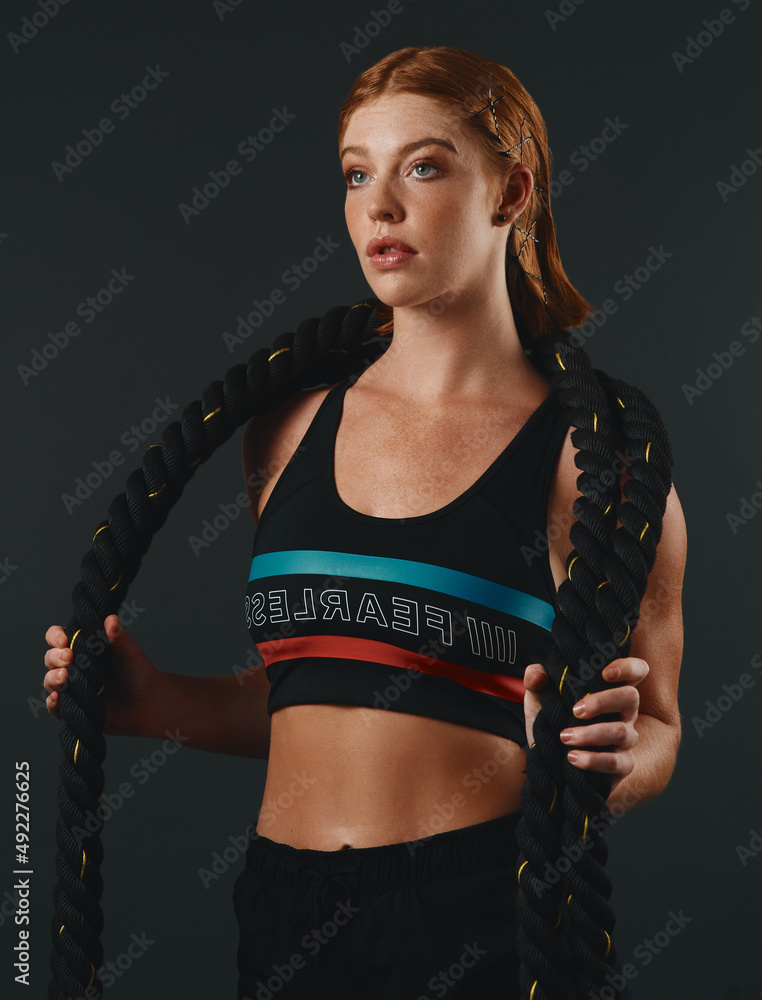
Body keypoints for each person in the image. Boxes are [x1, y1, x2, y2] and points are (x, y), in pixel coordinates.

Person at [43, 46, 686, 1000]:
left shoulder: (590, 465)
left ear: (511, 193)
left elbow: (662, 727)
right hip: (281, 904)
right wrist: (158, 705)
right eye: (356, 173)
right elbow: (325, 692)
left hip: (479, 907)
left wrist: (612, 760)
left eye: (421, 166)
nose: (377, 206)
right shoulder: (290, 430)